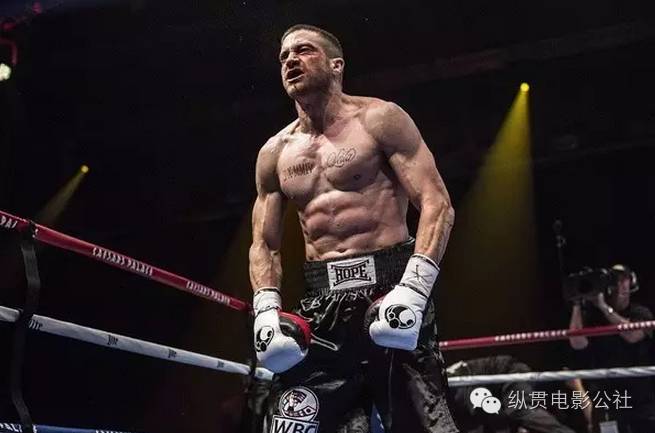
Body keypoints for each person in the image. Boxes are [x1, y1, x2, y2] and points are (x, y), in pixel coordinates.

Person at [248, 24, 459, 432]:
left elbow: (437, 204)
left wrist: (415, 289)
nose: (290, 61)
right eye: (283, 56)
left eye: (303, 50)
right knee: (295, 423)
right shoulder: (274, 153)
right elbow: (264, 243)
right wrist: (266, 310)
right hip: (321, 303)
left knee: (422, 423)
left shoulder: (380, 119)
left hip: (391, 285)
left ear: (336, 65)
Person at [568, 264, 655, 433]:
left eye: (624, 280)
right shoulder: (593, 316)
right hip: (607, 398)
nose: (620, 285)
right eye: (616, 280)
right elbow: (577, 343)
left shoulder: (640, 312)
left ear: (632, 283)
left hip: (640, 398)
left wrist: (604, 308)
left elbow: (632, 336)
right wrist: (577, 303)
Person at [446, 356, 576, 433]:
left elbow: (487, 407)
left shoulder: (453, 388)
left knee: (519, 409)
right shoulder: (454, 409)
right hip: (498, 391)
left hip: (510, 371)